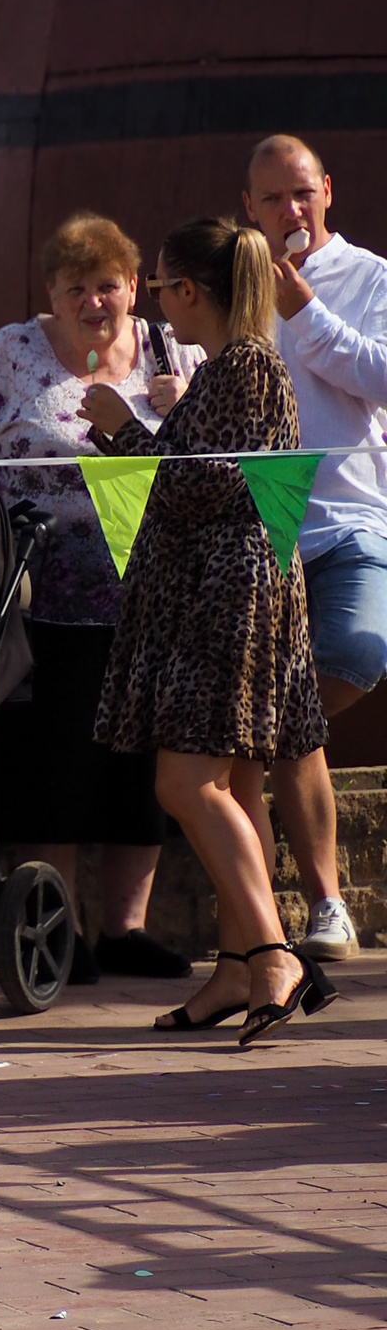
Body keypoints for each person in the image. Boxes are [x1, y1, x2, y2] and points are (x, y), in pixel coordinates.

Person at [0, 212, 199, 983]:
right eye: (76, 289)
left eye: (107, 286)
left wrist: (178, 410)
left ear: (134, 286)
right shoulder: (12, 353)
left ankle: (125, 932)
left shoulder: (175, 354)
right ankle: (57, 928)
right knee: (50, 765)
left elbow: (221, 458)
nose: (93, 302)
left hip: (153, 602)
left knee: (137, 767)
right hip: (37, 600)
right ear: (52, 294)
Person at [82, 218, 325, 1045]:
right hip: (224, 593)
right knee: (237, 789)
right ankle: (234, 968)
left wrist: (122, 428)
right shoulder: (228, 370)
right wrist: (138, 435)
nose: (154, 303)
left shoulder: (247, 366)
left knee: (185, 784)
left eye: (156, 286)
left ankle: (274, 955)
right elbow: (200, 476)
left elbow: (198, 488)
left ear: (189, 290)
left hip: (230, 599)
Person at [245, 134, 387, 963]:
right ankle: (317, 909)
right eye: (272, 199)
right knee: (293, 721)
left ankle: (250, 731)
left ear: (327, 190)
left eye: (301, 193)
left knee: (360, 650)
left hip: (350, 518)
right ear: (250, 208)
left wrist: (305, 311)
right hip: (260, 526)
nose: (290, 210)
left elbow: (381, 376)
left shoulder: (370, 277)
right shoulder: (239, 282)